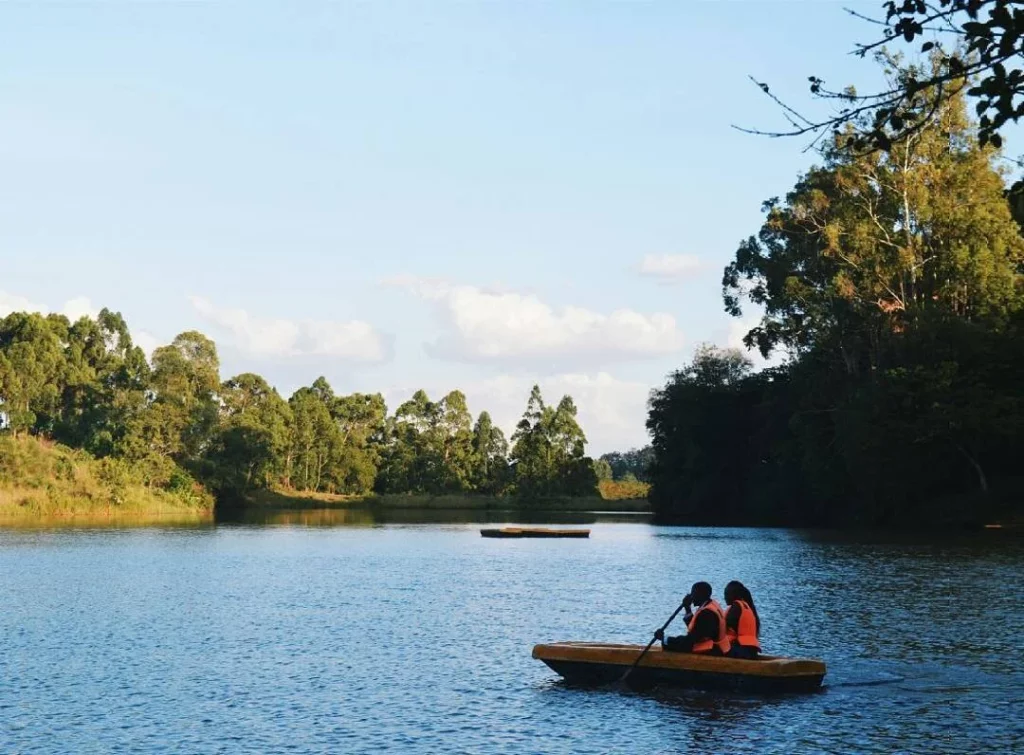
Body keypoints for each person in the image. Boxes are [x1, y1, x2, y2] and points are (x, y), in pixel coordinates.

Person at [654, 581, 731, 655]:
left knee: (671, 645)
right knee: (676, 642)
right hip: (715, 647)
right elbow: (696, 630)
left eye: (693, 593)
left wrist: (665, 639)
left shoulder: (707, 613)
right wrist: (687, 607)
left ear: (701, 595)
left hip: (712, 650)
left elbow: (689, 641)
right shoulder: (710, 604)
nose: (691, 596)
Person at [723, 580, 761, 659]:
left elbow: (721, 626)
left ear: (734, 595)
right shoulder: (745, 606)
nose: (725, 597)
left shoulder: (736, 607)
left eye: (727, 594)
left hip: (742, 650)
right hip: (750, 650)